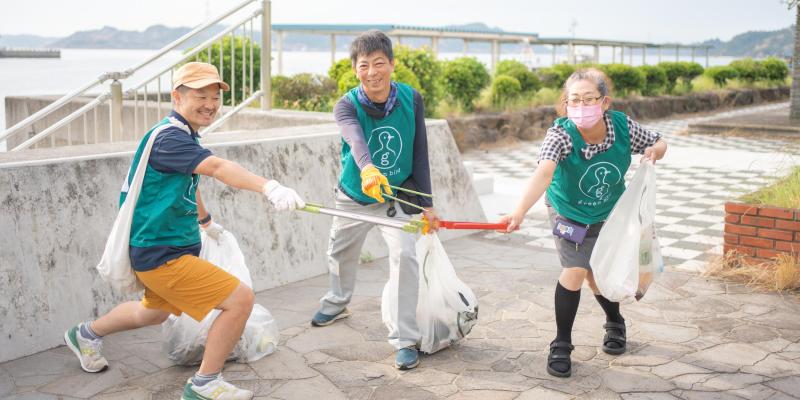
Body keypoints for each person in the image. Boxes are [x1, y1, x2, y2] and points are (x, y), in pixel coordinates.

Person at [63, 62, 305, 400]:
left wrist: (204, 221)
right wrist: (269, 187)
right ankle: (204, 383)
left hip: (159, 248)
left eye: (215, 97)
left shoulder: (180, 134)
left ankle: (85, 333)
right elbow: (218, 167)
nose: (210, 103)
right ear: (177, 97)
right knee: (240, 300)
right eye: (200, 95)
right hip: (163, 254)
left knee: (154, 312)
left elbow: (190, 182)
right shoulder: (171, 139)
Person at [499, 68, 667, 378]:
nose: (581, 105)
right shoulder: (560, 134)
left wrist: (653, 152)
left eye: (589, 99)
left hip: (608, 214)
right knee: (576, 270)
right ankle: (561, 344)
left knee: (597, 275)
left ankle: (615, 322)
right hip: (568, 212)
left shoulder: (622, 127)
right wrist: (519, 211)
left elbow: (659, 142)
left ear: (605, 102)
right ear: (564, 103)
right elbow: (544, 173)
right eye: (574, 99)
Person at [310, 30, 439, 370]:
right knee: (340, 252)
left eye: (379, 63)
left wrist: (428, 203)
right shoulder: (346, 105)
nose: (372, 72)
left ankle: (405, 339)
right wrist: (368, 169)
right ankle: (337, 302)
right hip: (354, 195)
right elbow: (355, 140)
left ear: (392, 65)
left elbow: (419, 152)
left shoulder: (411, 100)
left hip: (395, 196)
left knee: (405, 256)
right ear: (355, 70)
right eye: (364, 65)